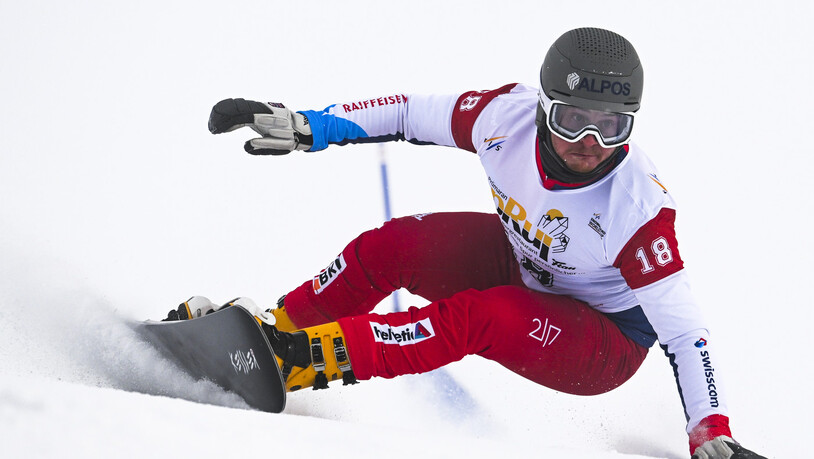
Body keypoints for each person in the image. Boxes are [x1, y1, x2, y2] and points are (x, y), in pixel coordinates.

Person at [167, 28, 765, 459]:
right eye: (572, 118)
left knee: (477, 318)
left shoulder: (636, 208)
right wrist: (308, 126)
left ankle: (295, 362)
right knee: (393, 246)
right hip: (528, 262)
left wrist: (710, 431)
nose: (589, 141)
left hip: (601, 338)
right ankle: (272, 335)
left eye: (612, 125)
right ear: (543, 107)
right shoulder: (504, 118)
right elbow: (406, 113)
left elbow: (685, 334)